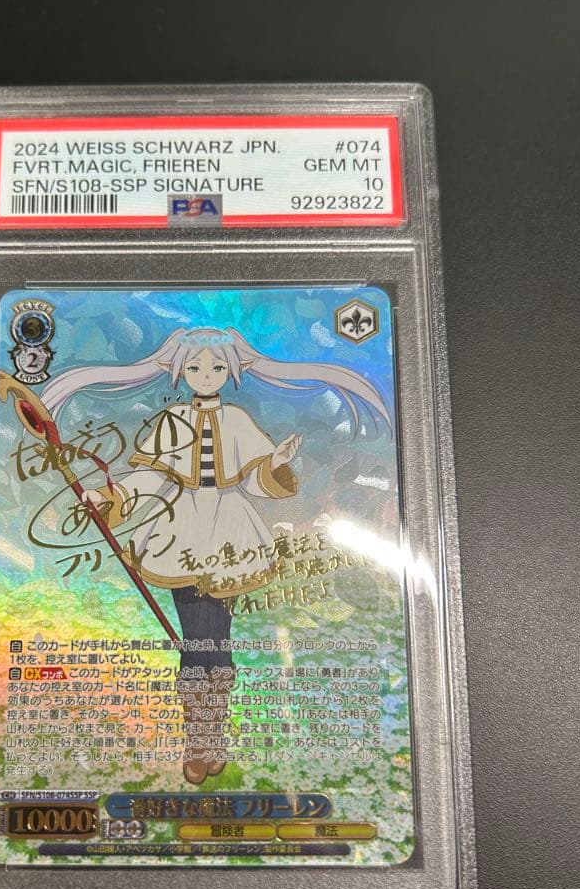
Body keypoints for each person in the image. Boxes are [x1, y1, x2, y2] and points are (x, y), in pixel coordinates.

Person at [40, 327, 389, 783]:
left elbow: (254, 481)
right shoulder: (172, 421)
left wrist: (275, 462)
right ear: (180, 371)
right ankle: (200, 740)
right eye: (195, 367)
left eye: (217, 366)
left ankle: (210, 738)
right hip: (179, 532)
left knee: (214, 639)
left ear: (231, 371)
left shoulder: (237, 420)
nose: (206, 374)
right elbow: (152, 479)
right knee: (197, 639)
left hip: (230, 531)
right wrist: (108, 495)